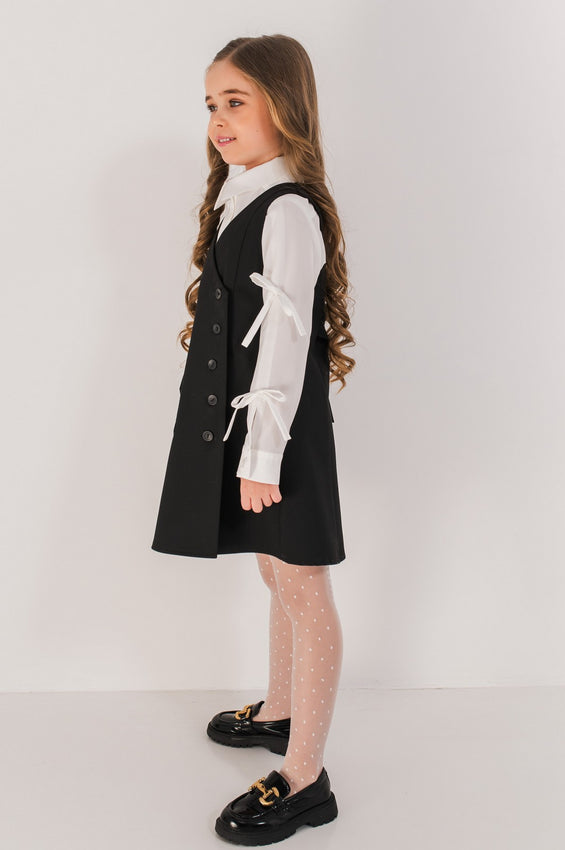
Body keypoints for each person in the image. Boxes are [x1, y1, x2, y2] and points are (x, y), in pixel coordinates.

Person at [151, 33, 356, 845]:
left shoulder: (289, 210)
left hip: (279, 434)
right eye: (211, 104)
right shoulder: (241, 196)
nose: (218, 119)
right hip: (248, 430)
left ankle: (305, 778)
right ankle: (279, 710)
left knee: (302, 584)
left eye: (235, 101)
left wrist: (262, 454)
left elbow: (283, 342)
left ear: (284, 106)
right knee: (275, 570)